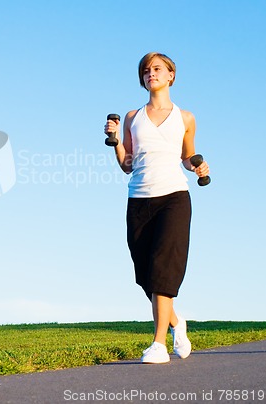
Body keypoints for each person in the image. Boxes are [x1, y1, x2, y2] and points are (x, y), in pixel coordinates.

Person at [104, 52, 210, 364]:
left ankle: (158, 344)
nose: (151, 73)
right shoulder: (132, 117)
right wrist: (114, 139)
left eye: (157, 69)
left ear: (170, 76)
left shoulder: (185, 117)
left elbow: (188, 156)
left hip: (174, 197)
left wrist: (199, 168)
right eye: (147, 70)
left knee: (164, 268)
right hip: (138, 199)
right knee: (147, 276)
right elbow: (126, 163)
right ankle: (177, 323)